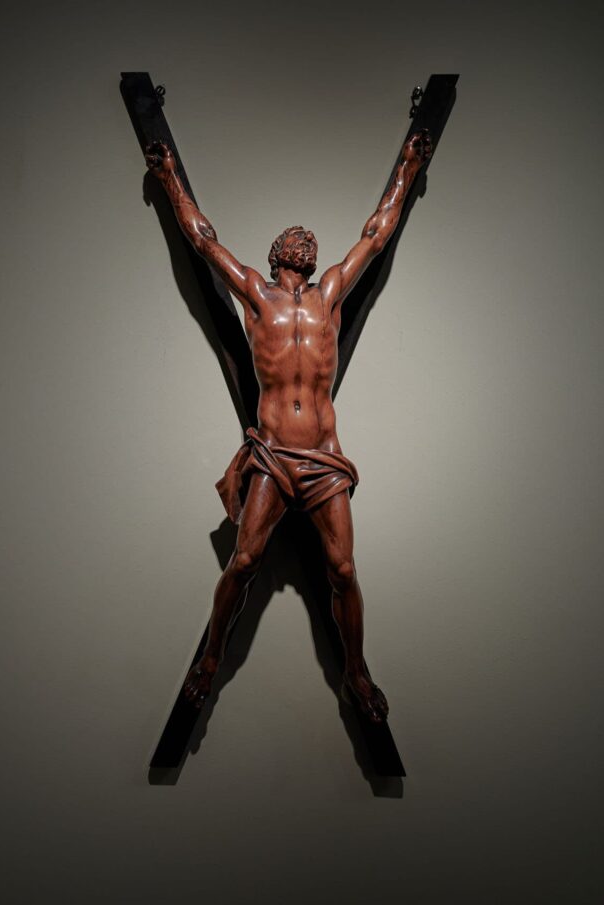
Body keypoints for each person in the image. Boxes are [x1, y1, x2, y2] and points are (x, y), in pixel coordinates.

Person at [144, 129, 433, 722]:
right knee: (245, 561)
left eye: (309, 237)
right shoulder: (256, 293)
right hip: (274, 455)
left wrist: (408, 164)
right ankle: (210, 659)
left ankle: (355, 672)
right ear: (279, 254)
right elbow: (203, 240)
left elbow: (376, 235)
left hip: (323, 457)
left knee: (344, 569)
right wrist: (170, 177)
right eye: (295, 237)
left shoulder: (330, 295)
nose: (305, 238)